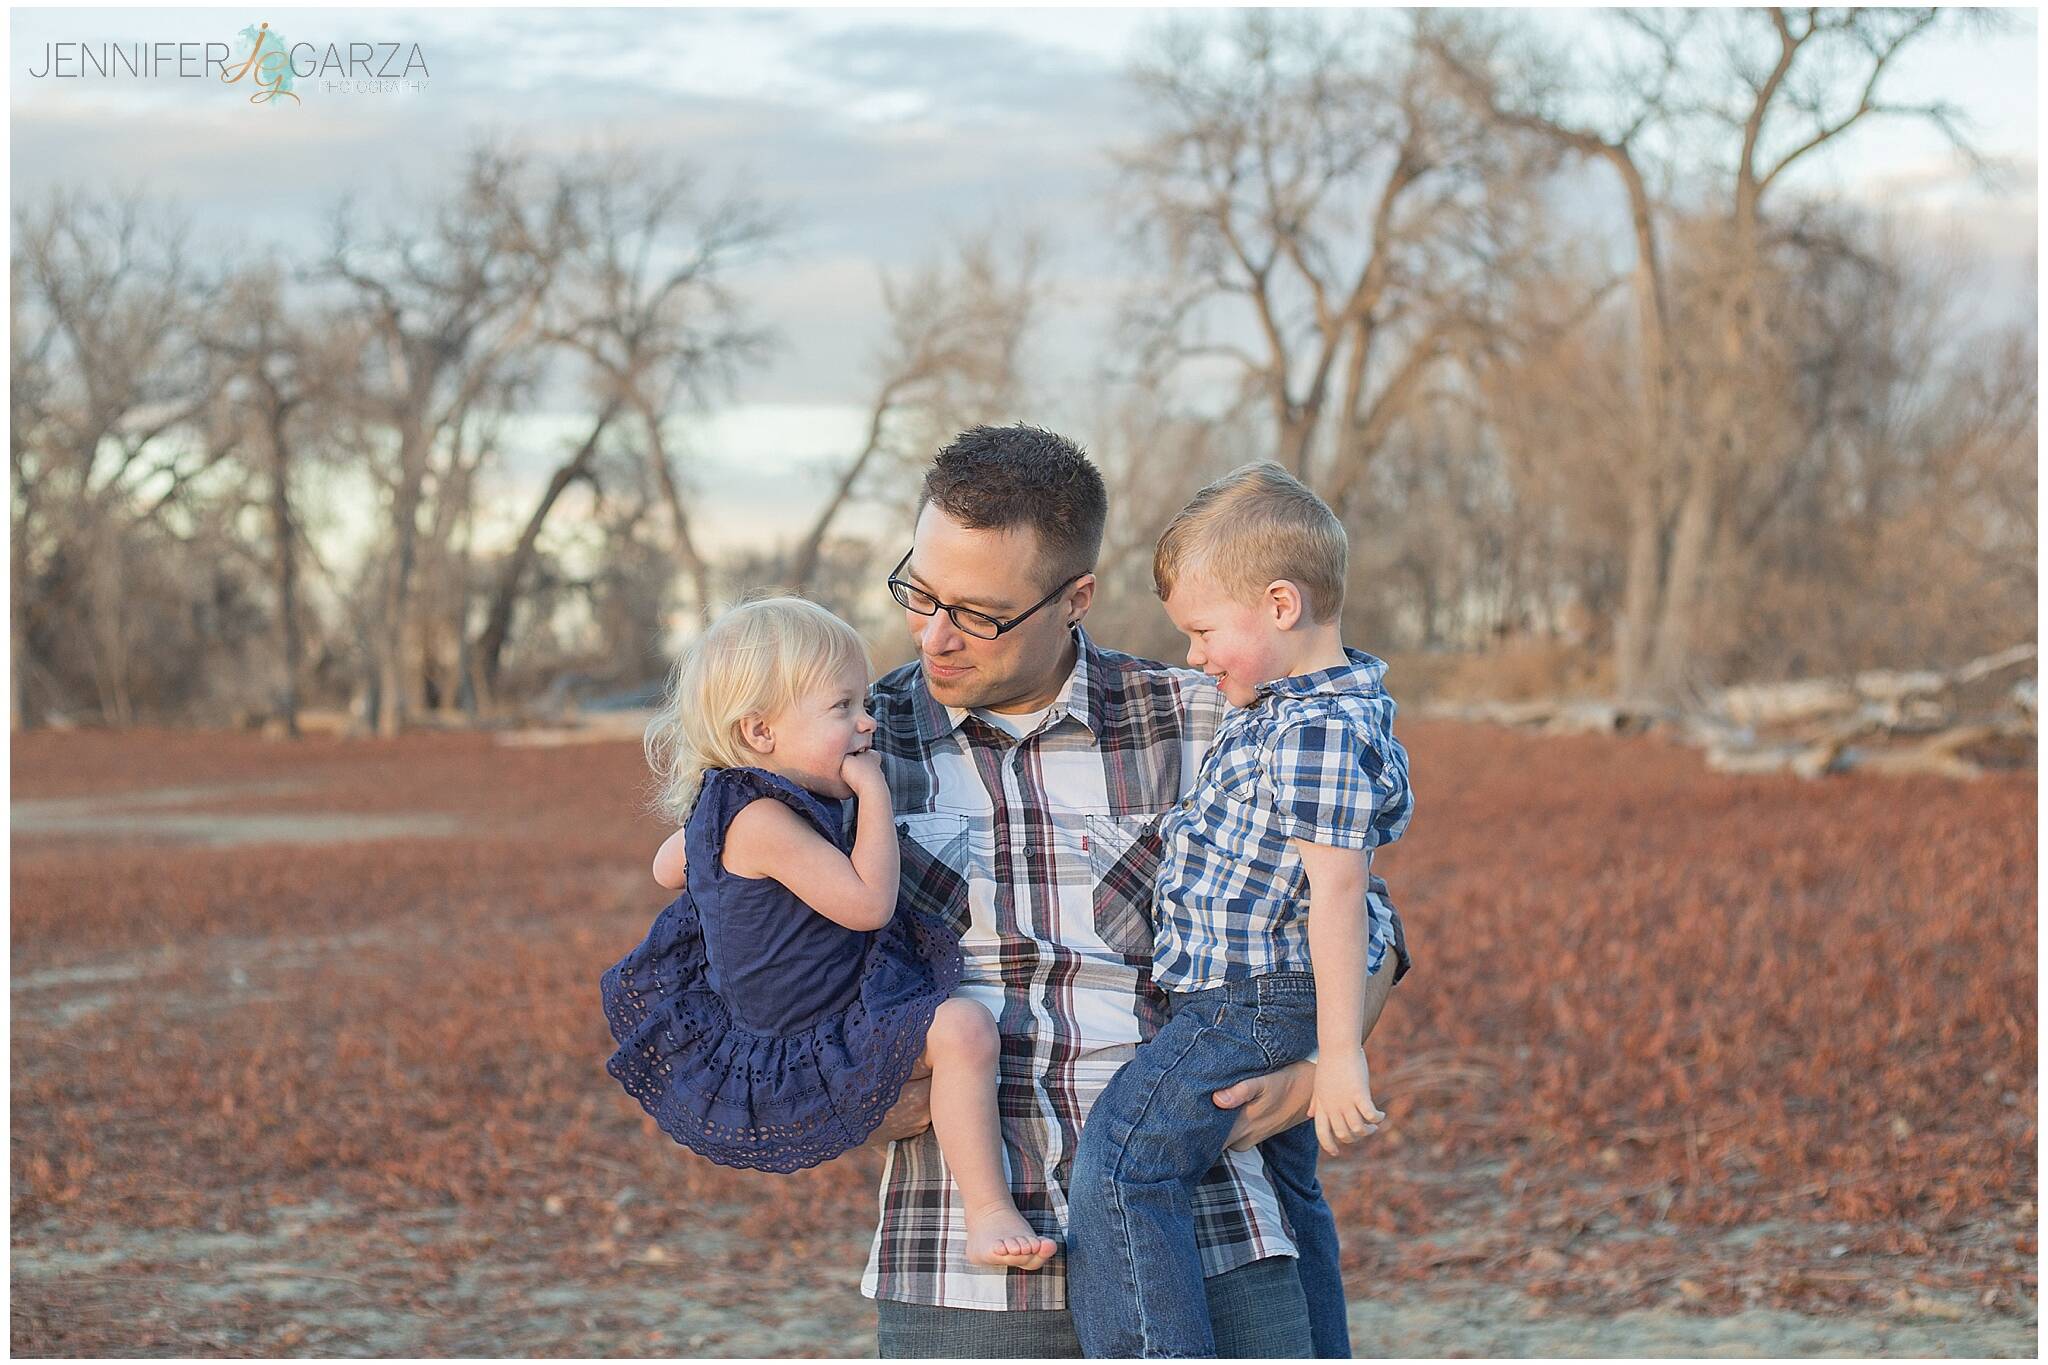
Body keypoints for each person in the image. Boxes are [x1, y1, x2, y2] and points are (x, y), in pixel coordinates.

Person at [852, 427, 1413, 1357]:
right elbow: (762, 976)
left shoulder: (1211, 719)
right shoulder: (859, 749)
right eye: (921, 591)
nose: (934, 635)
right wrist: (843, 1098)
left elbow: (1367, 921)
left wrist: (1320, 1072)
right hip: (957, 1268)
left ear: (1076, 598)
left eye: (979, 613)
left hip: (1214, 1244)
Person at [1066, 462, 1414, 1358]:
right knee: (1292, 1190)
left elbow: (1341, 891)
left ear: (1281, 605)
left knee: (1123, 1163)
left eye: (1205, 630)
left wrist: (1338, 1058)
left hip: (1250, 995)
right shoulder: (1287, 707)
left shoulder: (1317, 729)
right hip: (1250, 991)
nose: (1193, 654)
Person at [598, 595, 1057, 1269]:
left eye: (862, 701)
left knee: (943, 1062)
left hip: (815, 1000)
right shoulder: (763, 821)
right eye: (842, 708)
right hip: (806, 1035)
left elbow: (670, 865)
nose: (867, 720)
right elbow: (870, 903)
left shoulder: (733, 803)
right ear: (760, 732)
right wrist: (874, 794)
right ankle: (988, 1213)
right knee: (965, 1031)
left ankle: (924, 1126)